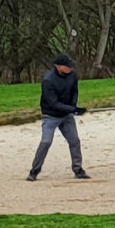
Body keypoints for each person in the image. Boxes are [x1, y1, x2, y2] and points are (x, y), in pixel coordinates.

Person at [30, 53, 89, 181]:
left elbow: (74, 92)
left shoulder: (72, 76)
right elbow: (53, 103)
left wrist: (74, 107)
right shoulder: (48, 81)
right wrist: (72, 109)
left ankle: (78, 169)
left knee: (74, 141)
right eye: (67, 66)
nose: (70, 68)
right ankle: (34, 171)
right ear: (58, 67)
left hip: (66, 115)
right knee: (46, 142)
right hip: (50, 116)